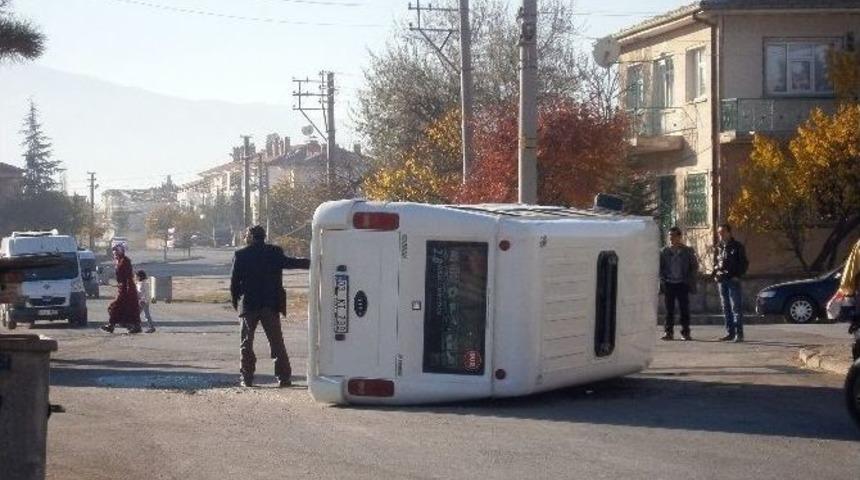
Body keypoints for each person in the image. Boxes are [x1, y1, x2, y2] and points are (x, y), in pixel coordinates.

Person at [230, 225, 310, 387]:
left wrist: (235, 301)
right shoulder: (274, 252)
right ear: (263, 236)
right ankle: (284, 378)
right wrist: (314, 261)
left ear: (250, 237)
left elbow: (234, 282)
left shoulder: (241, 255)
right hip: (270, 304)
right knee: (276, 342)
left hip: (249, 305)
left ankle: (247, 378)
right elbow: (290, 263)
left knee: (246, 343)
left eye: (246, 236)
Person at [659, 227, 699, 341]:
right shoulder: (664, 251)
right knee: (669, 310)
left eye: (674, 235)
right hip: (669, 284)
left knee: (684, 309)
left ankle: (685, 333)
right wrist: (663, 278)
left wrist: (690, 279)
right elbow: (660, 267)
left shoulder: (687, 251)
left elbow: (694, 266)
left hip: (682, 283)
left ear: (679, 237)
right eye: (669, 235)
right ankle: (668, 332)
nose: (671, 238)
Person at [713, 223, 748, 342]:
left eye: (722, 232)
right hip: (722, 280)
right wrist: (716, 273)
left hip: (733, 280)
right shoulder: (719, 247)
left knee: (735, 308)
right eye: (719, 233)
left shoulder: (737, 246)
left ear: (729, 232)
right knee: (725, 307)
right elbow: (716, 263)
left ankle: (739, 334)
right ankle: (730, 333)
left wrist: (737, 276)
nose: (720, 235)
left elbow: (744, 263)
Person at [101, 244, 142, 334]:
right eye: (114, 253)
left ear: (120, 252)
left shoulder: (125, 261)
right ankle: (130, 326)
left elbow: (128, 276)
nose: (115, 255)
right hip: (122, 287)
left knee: (116, 306)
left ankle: (113, 325)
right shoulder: (119, 261)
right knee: (123, 308)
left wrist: (128, 287)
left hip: (127, 288)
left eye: (116, 253)